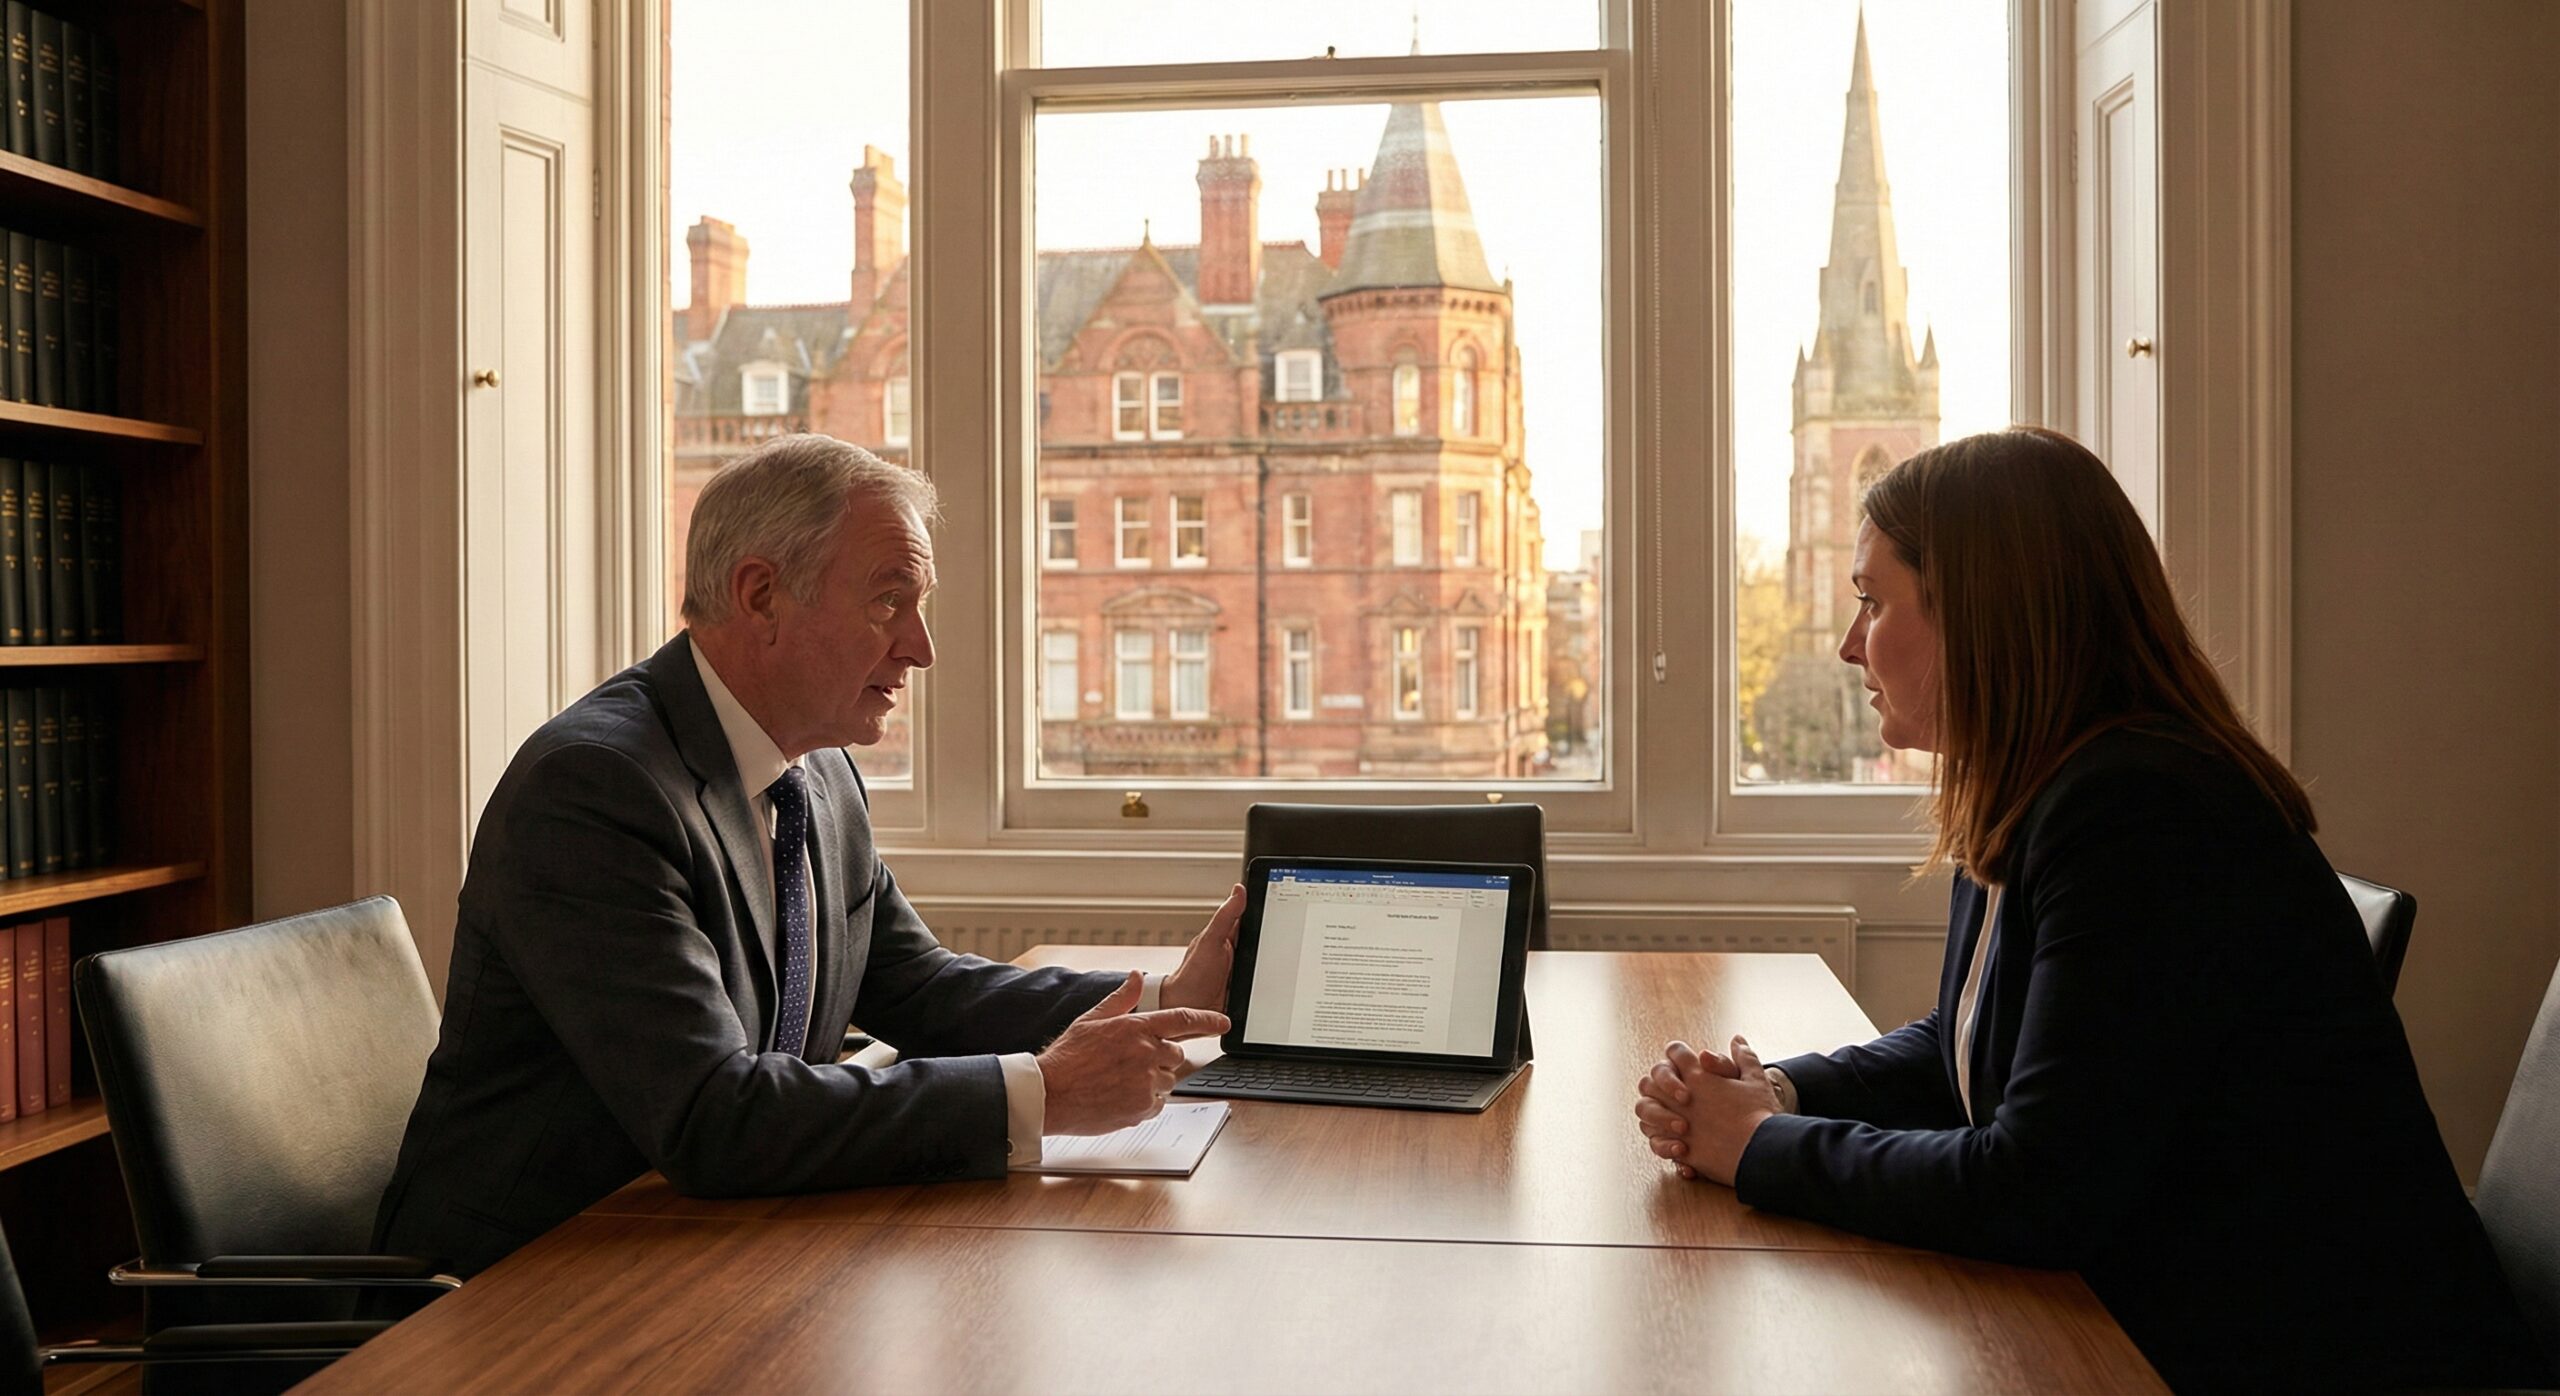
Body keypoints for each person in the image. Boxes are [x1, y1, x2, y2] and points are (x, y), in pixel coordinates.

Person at [1632, 428, 2550, 1393]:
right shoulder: (2042, 785)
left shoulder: (2142, 811)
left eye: (1874, 600)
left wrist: (1765, 1149)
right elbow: (1968, 1043)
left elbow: (2037, 1191)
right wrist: (1777, 1093)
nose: (1850, 641)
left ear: (1982, 614)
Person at [374, 434, 1240, 1278]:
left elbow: (919, 990)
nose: (920, 647)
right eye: (887, 601)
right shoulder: (595, 790)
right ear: (760, 597)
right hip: (527, 1283)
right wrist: (1046, 1093)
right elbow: (717, 1119)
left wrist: (1171, 999)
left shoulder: (815, 769)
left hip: (706, 1244)